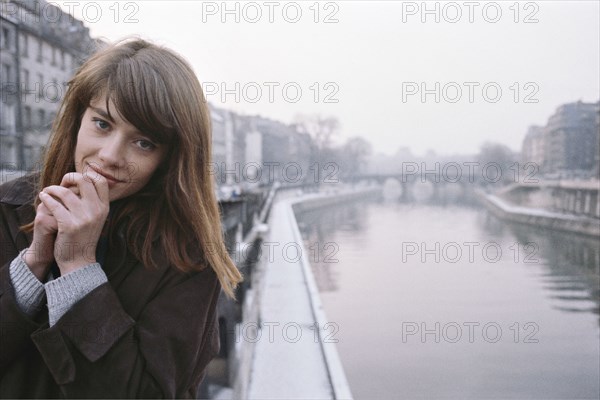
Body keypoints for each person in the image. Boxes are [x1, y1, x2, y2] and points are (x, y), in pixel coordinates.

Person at [0, 38, 242, 398]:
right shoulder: (8, 207)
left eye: (143, 142)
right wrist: (32, 265)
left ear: (170, 158)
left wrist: (79, 267)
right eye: (102, 124)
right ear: (77, 118)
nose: (110, 156)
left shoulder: (187, 256)